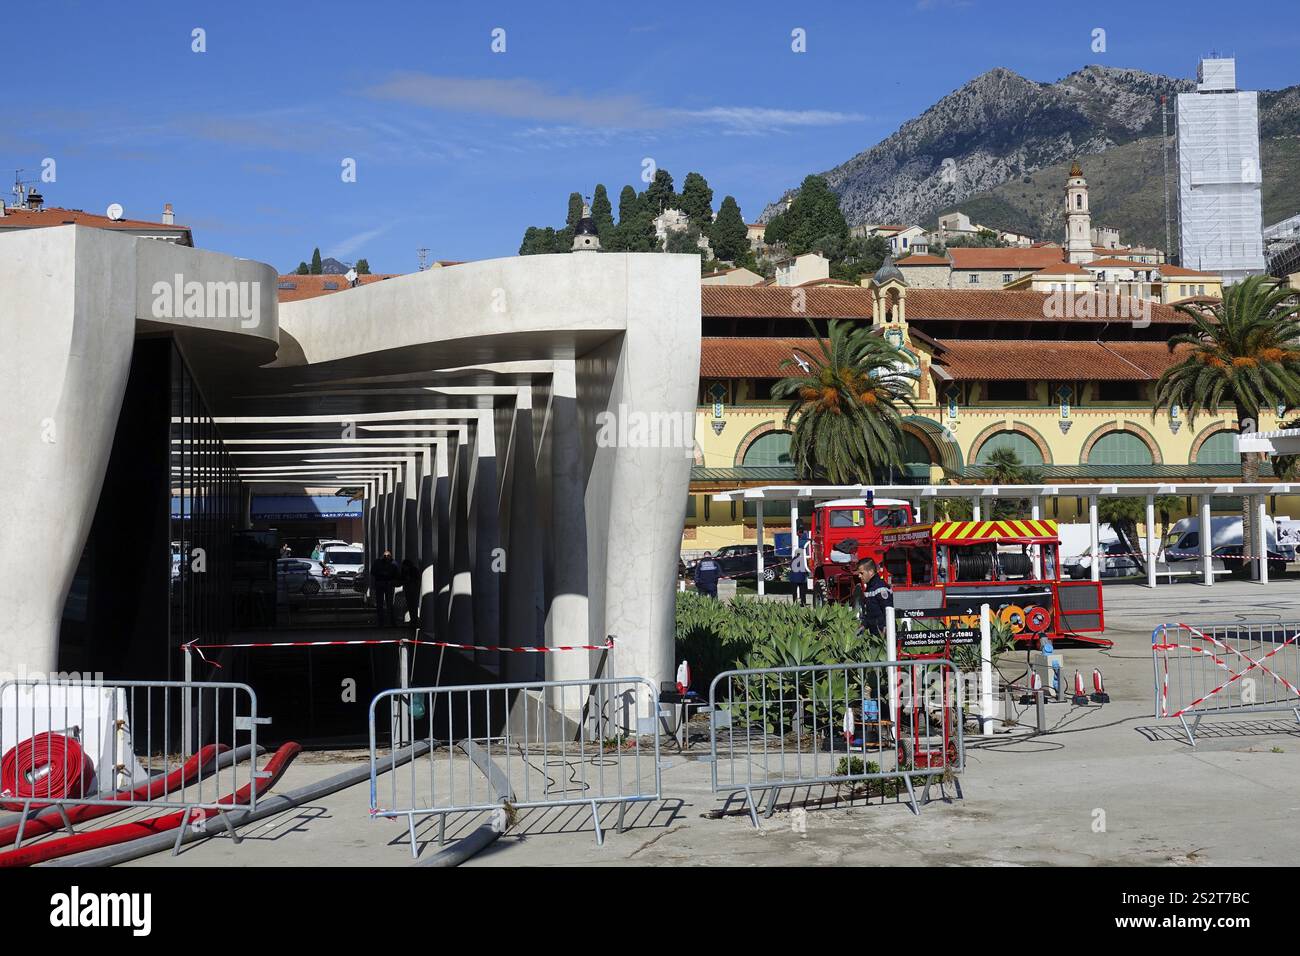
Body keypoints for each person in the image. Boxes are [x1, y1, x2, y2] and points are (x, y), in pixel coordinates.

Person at [855, 557, 892, 637]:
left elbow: (888, 610)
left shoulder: (880, 588)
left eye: (861, 573)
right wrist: (864, 625)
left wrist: (887, 627)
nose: (859, 576)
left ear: (871, 572)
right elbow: (871, 613)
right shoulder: (870, 588)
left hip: (884, 634)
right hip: (875, 634)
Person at [371, 549, 400, 626]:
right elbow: (373, 572)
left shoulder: (393, 563)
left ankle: (390, 620)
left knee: (389, 603)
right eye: (385, 556)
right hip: (380, 583)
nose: (386, 557)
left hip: (388, 584)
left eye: (388, 556)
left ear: (390, 556)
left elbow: (397, 574)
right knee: (380, 603)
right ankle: (381, 621)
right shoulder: (378, 562)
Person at [788, 530, 811, 606]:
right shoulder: (803, 559)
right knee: (802, 592)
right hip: (802, 578)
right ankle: (803, 603)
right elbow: (806, 568)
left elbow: (791, 567)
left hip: (793, 579)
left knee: (794, 592)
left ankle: (794, 602)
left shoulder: (793, 559)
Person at [400, 558, 421, 630]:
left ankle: (414, 620)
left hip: (412, 590)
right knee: (411, 606)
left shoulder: (413, 571)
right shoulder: (408, 571)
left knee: (413, 606)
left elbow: (416, 580)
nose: (404, 568)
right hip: (409, 590)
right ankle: (413, 620)